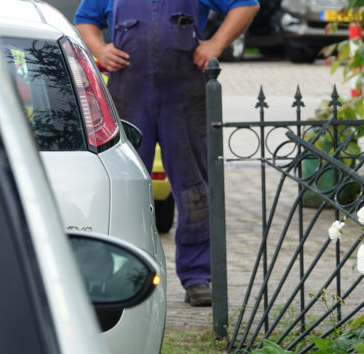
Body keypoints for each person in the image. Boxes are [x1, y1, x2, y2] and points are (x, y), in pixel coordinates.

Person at [74, 0, 259, 307]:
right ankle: (121, 273)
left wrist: (216, 44)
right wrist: (100, 50)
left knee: (194, 189)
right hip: (129, 95)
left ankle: (198, 277)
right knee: (122, 187)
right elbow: (85, 19)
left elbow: (246, 5)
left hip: (185, 96)